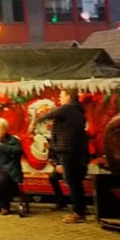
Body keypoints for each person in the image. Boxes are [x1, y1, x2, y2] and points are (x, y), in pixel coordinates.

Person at [41, 89, 90, 223]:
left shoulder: (67, 109)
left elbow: (48, 115)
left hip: (68, 150)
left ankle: (78, 213)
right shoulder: (77, 112)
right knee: (75, 182)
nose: (59, 98)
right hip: (73, 150)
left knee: (72, 182)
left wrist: (35, 121)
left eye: (61, 96)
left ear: (68, 97)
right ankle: (81, 208)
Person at [0, 118, 23, 215]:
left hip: (11, 170)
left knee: (2, 180)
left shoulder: (13, 140)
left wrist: (1, 146)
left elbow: (18, 151)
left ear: (4, 130)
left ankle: (5, 206)